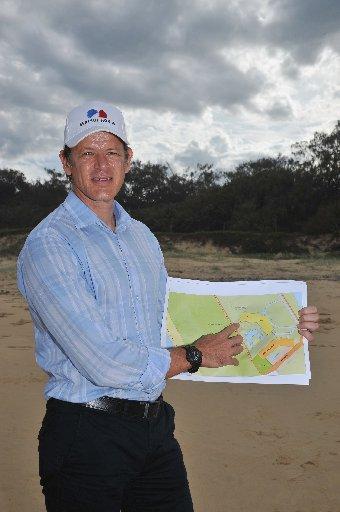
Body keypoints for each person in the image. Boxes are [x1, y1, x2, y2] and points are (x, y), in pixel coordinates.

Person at [17, 101, 320, 512]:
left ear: (129, 160)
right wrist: (195, 355)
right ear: (66, 162)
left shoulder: (142, 237)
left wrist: (285, 321)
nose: (101, 165)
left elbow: (173, 327)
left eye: (113, 152)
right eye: (87, 152)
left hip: (153, 428)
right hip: (84, 437)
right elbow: (104, 362)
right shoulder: (50, 245)